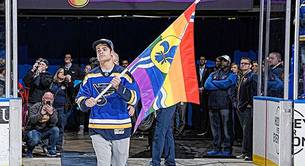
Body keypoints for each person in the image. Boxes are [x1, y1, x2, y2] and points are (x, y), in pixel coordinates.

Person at [76, 38, 139, 166]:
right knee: (103, 163)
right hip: (97, 126)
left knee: (119, 164)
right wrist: (86, 102)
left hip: (120, 126)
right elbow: (80, 98)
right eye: (98, 50)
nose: (101, 52)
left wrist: (119, 88)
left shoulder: (124, 74)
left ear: (112, 53)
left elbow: (134, 98)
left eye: (104, 49)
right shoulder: (90, 76)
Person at [204, 55, 237, 157]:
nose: (222, 62)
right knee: (215, 129)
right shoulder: (213, 73)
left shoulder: (232, 75)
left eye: (225, 61)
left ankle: (227, 149)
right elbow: (206, 85)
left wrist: (214, 83)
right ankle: (216, 148)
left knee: (227, 129)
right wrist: (219, 84)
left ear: (229, 63)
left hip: (225, 105)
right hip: (212, 105)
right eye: (221, 60)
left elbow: (226, 84)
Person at [235, 57, 257, 161]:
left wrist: (250, 104)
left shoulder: (252, 76)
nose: (242, 65)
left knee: (247, 131)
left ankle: (248, 153)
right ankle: (244, 152)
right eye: (241, 63)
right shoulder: (241, 76)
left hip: (247, 108)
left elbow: (253, 92)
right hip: (241, 107)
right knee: (244, 131)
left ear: (250, 65)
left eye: (245, 63)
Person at [25, 92, 59, 158]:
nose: (48, 100)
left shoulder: (53, 109)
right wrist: (41, 114)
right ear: (42, 98)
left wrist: (51, 114)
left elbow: (54, 123)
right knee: (34, 139)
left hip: (45, 131)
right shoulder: (35, 107)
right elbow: (32, 120)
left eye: (50, 99)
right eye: (46, 98)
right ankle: (29, 151)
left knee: (55, 130)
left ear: (53, 100)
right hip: (34, 130)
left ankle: (51, 150)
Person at [49, 68, 74, 153]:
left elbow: (72, 92)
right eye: (61, 72)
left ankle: (58, 146)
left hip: (63, 108)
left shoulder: (67, 84)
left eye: (64, 73)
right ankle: (51, 145)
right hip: (52, 108)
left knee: (61, 127)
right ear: (57, 73)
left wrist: (69, 81)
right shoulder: (53, 83)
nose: (62, 74)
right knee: (51, 126)